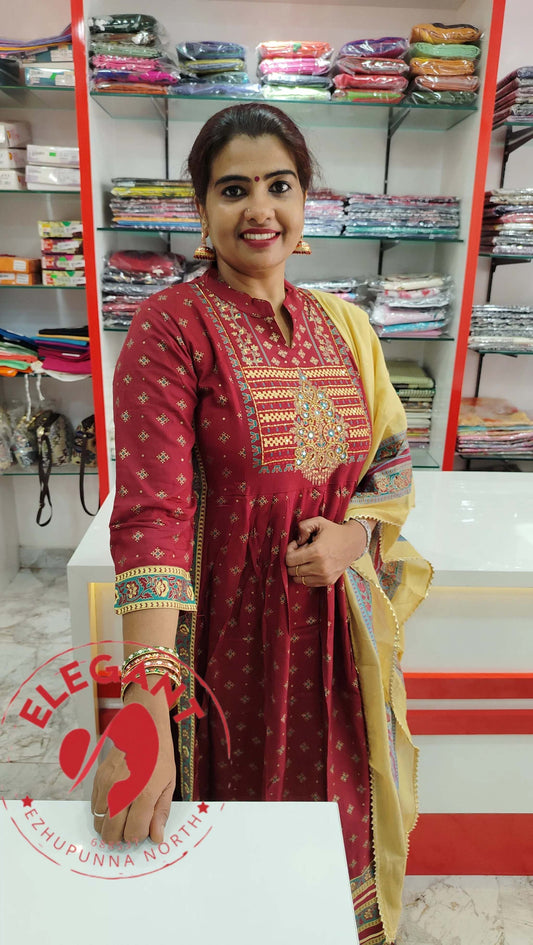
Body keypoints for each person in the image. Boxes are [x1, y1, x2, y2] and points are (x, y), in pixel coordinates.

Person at [93, 103, 431, 945]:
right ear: (202, 209)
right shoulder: (172, 327)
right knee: (229, 868)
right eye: (232, 188)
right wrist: (145, 696)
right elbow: (152, 515)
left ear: (304, 198)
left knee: (337, 834)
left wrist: (356, 540)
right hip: (226, 646)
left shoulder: (345, 326)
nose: (259, 209)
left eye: (278, 186)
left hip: (335, 645)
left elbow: (385, 465)